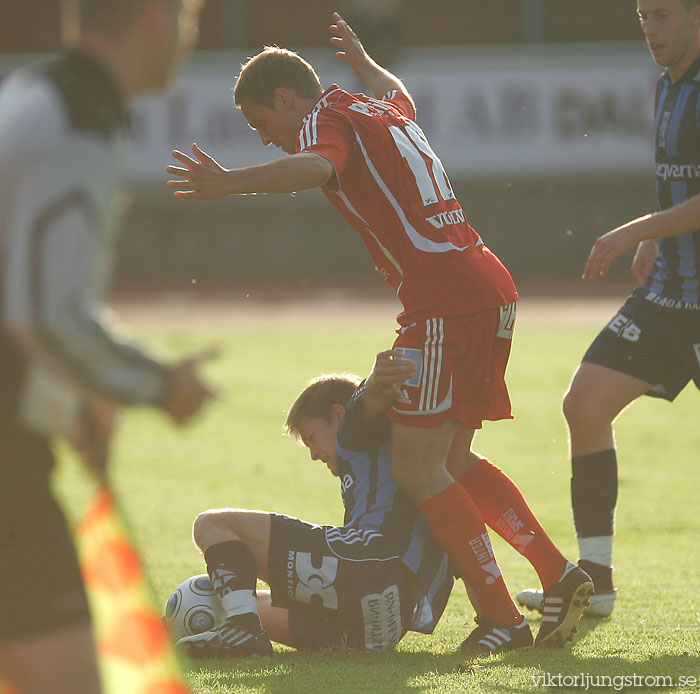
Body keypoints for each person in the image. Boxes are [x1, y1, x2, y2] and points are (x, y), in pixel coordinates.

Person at [166, 13, 593, 649]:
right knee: (450, 460)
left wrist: (230, 184)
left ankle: (501, 622)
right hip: (482, 286)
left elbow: (317, 166)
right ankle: (558, 575)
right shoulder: (369, 103)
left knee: (417, 468)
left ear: (288, 99)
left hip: (445, 301)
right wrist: (367, 67)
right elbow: (404, 96)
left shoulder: (325, 122)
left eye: (262, 123)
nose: (265, 139)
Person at [0, 1, 210, 693]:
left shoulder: (34, 96)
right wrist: (158, 384)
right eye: (189, 14)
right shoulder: (75, 120)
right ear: (155, 18)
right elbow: (47, 314)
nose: (192, 32)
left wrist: (73, 396)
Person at [517, 0, 700, 620]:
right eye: (644, 16)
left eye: (664, 16)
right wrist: (656, 236)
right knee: (584, 404)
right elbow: (681, 177)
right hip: (666, 296)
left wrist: (633, 230)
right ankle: (595, 580)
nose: (651, 29)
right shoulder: (667, 86)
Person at [176, 351, 454, 657]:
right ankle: (233, 628)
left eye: (312, 438)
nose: (313, 454)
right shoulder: (377, 463)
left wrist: (376, 380)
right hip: (379, 626)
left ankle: (243, 632)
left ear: (338, 415)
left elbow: (365, 400)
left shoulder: (360, 429)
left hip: (375, 568)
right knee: (235, 601)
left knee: (213, 525)